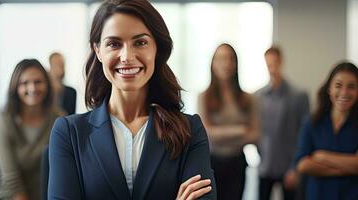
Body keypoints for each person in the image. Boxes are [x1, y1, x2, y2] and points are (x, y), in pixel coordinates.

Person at [48, 0, 215, 199]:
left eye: (140, 42)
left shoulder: (190, 130)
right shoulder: (69, 133)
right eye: (114, 44)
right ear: (98, 50)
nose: (127, 56)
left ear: (157, 49)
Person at [295, 62, 358, 200]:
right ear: (329, 88)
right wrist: (352, 164)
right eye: (338, 85)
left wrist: (322, 156)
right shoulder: (311, 123)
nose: (344, 92)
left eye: (351, 87)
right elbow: (303, 165)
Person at [198, 43, 260, 200]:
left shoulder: (247, 98)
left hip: (237, 163)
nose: (226, 63)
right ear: (212, 64)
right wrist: (239, 130)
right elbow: (207, 133)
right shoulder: (204, 97)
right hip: (211, 164)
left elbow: (256, 134)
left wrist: (220, 133)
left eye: (230, 58)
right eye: (220, 58)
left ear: (236, 64)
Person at [0, 59, 61, 200]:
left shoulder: (60, 120)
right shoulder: (5, 122)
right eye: (25, 83)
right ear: (15, 88)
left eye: (38, 82)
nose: (32, 88)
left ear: (47, 85)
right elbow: (12, 181)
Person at [255, 46, 309, 200]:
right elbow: (257, 131)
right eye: (268, 64)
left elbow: (304, 134)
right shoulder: (258, 97)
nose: (272, 68)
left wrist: (295, 167)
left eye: (275, 63)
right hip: (266, 165)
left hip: (289, 167)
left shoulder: (299, 96)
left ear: (281, 62)